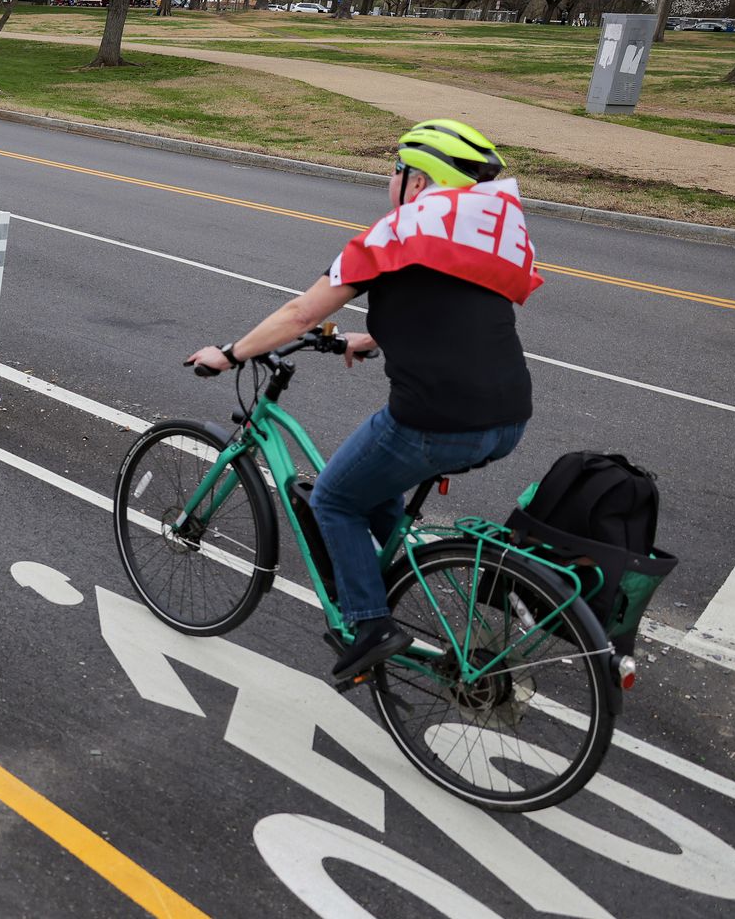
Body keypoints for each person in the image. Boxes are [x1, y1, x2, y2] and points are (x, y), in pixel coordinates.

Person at [184, 120, 539, 682]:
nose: (390, 182)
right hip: (508, 418)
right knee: (371, 488)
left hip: (435, 420)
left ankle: (371, 624)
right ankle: (394, 581)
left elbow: (302, 314)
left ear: (418, 181)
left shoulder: (396, 233)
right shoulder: (482, 232)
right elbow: (449, 310)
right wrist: (370, 336)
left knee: (333, 499)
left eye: (396, 171)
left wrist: (230, 353)